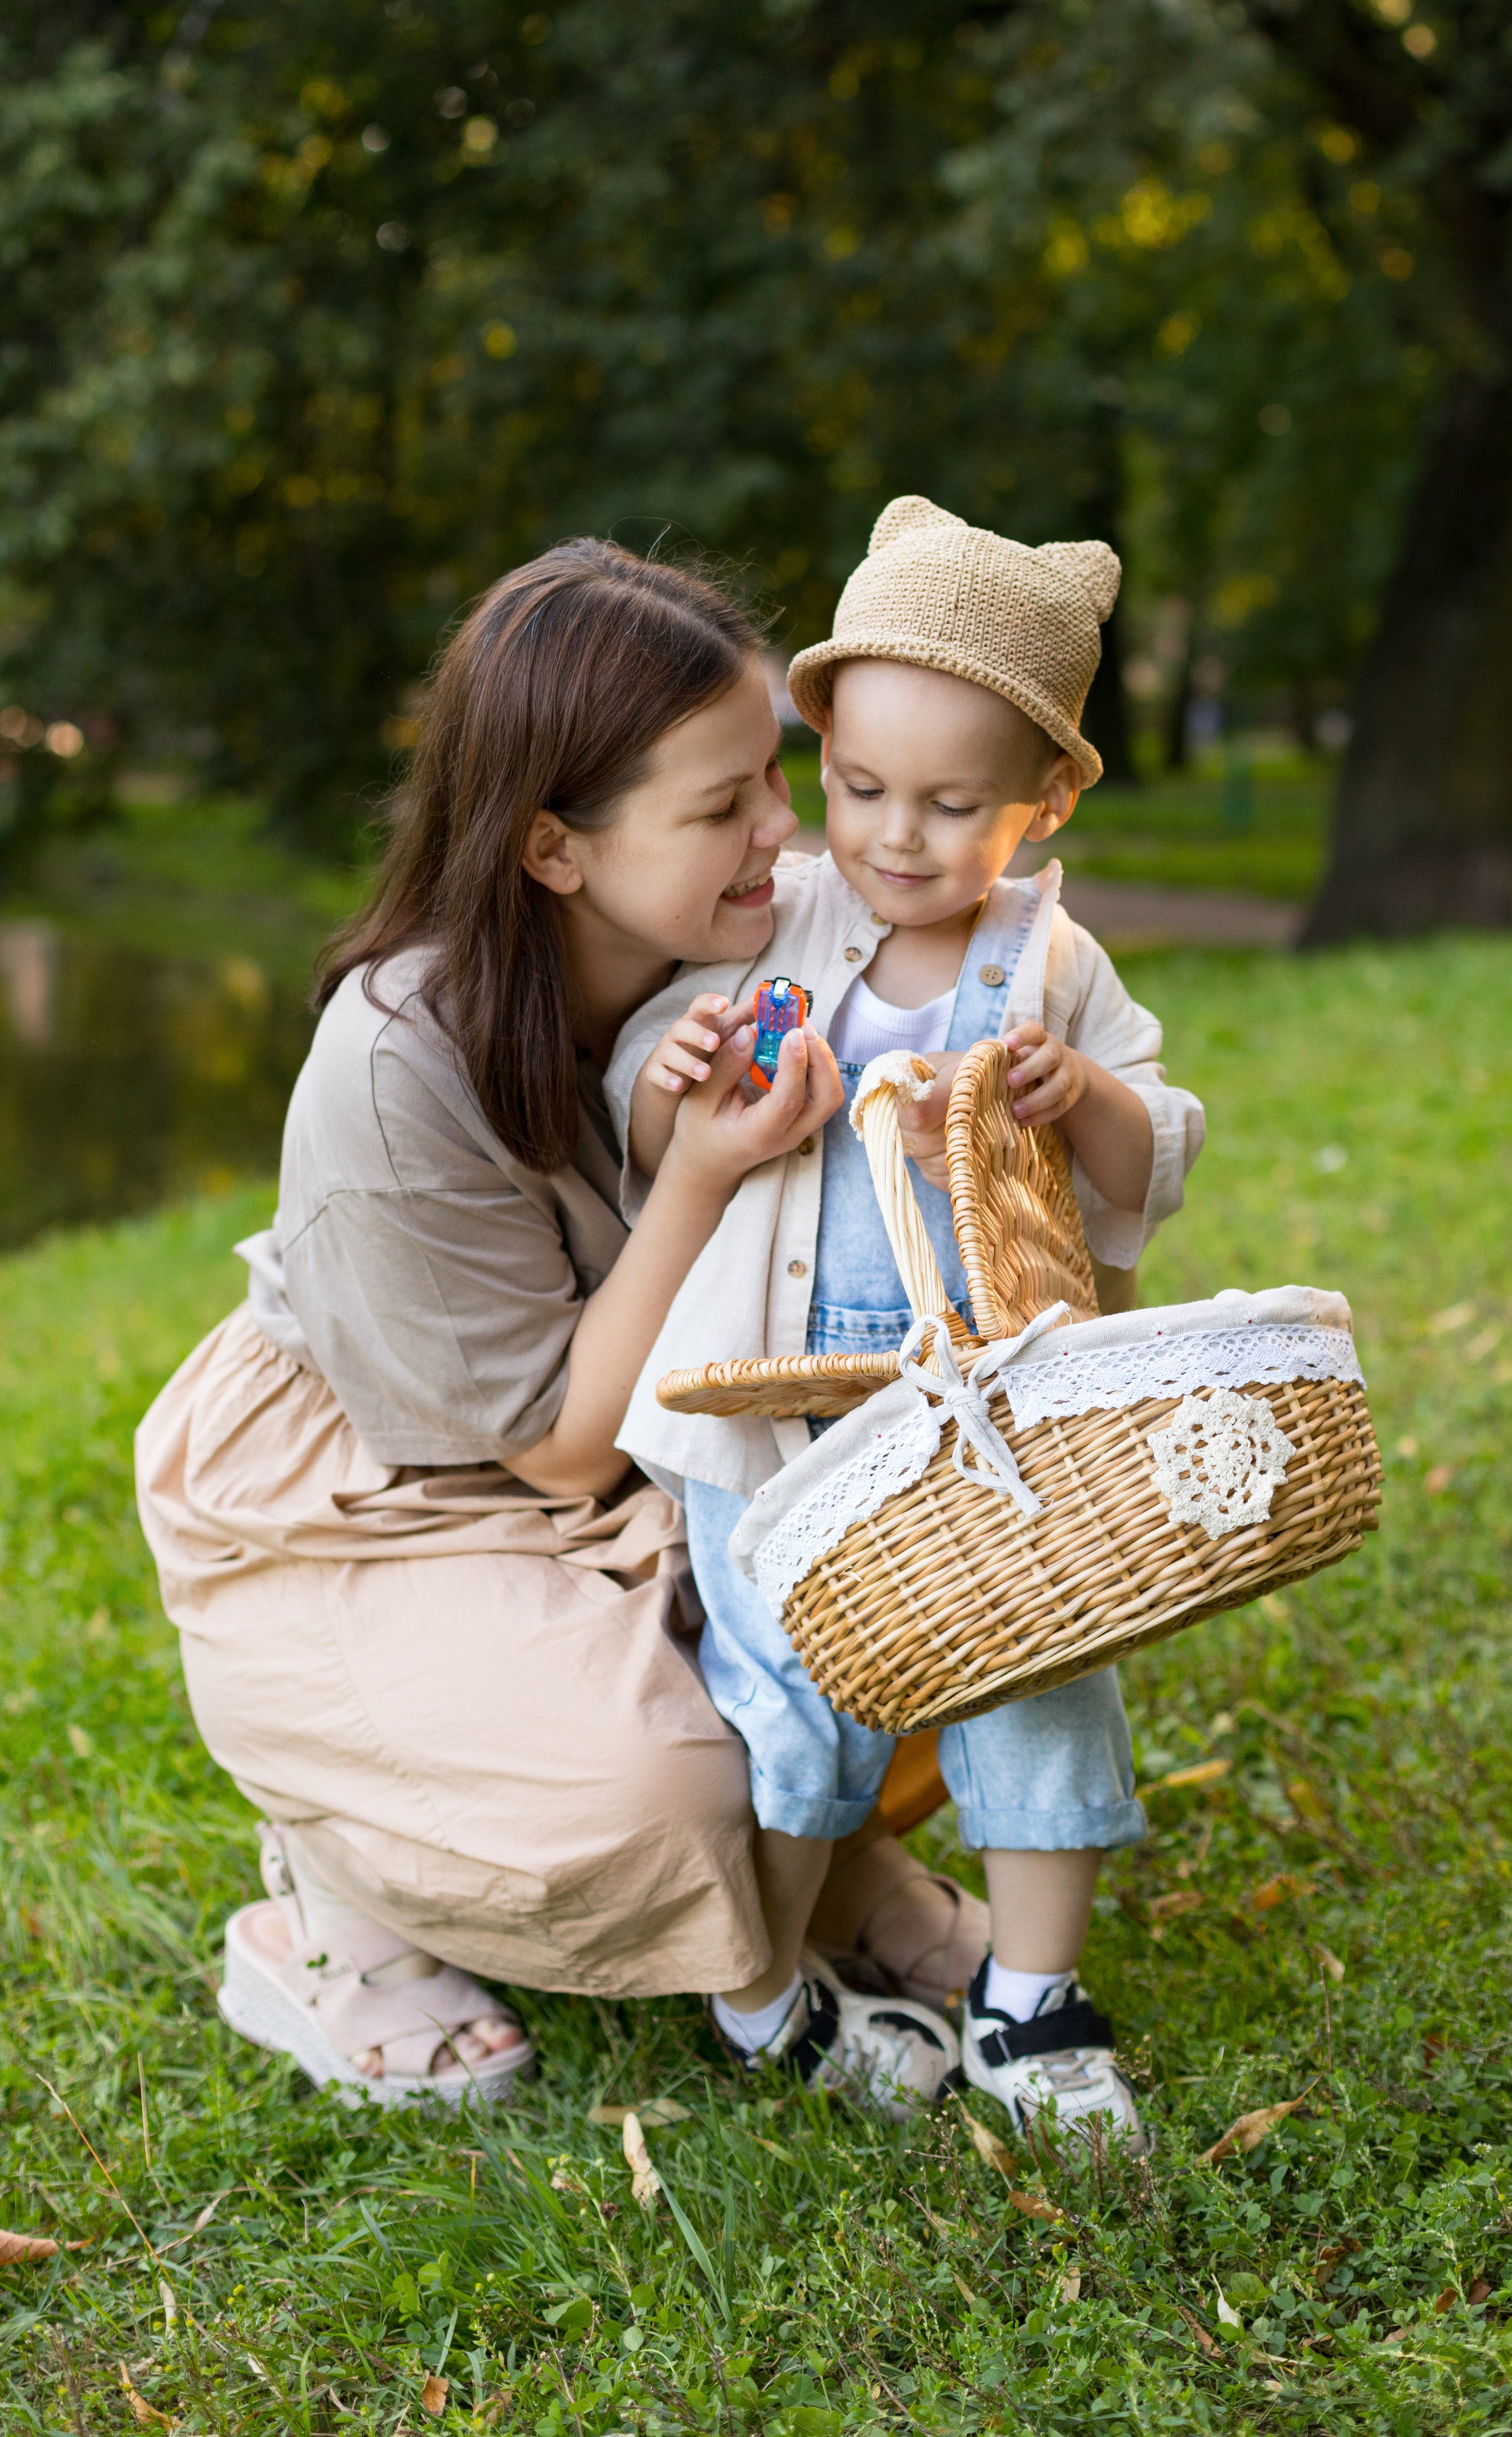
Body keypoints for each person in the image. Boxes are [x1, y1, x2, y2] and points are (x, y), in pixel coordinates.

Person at [134, 537, 966, 2111]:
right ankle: (339, 1885)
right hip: (386, 1496)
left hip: (652, 1444)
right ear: (553, 848)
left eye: (775, 781)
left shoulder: (742, 937)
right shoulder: (400, 1060)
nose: (783, 834)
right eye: (722, 808)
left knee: (908, 1603)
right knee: (655, 1795)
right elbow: (558, 1454)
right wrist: (701, 1176)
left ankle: (832, 1875)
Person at [611, 496, 1206, 2144]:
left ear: (1043, 798)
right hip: (770, 1411)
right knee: (787, 1692)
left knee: (1036, 1665)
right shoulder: (786, 923)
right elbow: (662, 1121)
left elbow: (1155, 1142)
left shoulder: (1045, 963)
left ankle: (1033, 2002)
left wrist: (1076, 1095)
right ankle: (765, 1980)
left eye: (952, 805)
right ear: (817, 752)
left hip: (983, 1413)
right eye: (860, 787)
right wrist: (677, 1093)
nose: (894, 835)